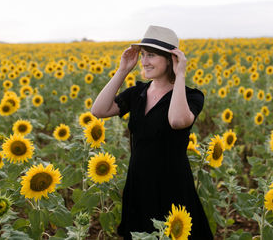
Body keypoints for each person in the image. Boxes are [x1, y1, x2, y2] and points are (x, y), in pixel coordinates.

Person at [91, 25, 213, 239]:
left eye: (152, 55)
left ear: (170, 59)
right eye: (143, 55)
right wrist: (123, 70)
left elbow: (176, 121)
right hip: (138, 184)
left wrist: (180, 74)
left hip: (172, 186)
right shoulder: (137, 93)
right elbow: (98, 110)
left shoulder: (191, 96)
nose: (145, 61)